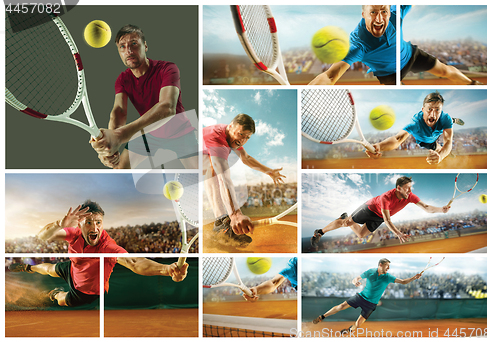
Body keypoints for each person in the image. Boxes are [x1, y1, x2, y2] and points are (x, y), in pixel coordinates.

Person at [8, 200, 188, 307]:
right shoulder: (74, 233)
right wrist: (59, 224)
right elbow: (43, 236)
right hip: (73, 268)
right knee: (50, 269)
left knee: (61, 300)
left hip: (86, 291)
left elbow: (135, 262)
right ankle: (29, 268)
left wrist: (166, 270)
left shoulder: (108, 247)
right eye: (88, 223)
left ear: (103, 222)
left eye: (98, 222)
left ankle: (54, 293)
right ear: (79, 224)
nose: (94, 228)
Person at [90, 24, 198, 169]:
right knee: (119, 169)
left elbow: (167, 108)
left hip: (179, 132)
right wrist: (110, 147)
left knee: (202, 176)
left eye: (134, 44)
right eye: (122, 46)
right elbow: (119, 112)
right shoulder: (122, 79)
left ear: (145, 46)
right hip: (149, 134)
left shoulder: (168, 68)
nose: (128, 51)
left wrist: (119, 135)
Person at [309, 5, 481, 86]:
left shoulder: (395, 13)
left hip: (410, 55)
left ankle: (474, 84)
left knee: (446, 70)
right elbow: (331, 76)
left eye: (383, 11)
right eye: (373, 12)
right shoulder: (358, 43)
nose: (379, 18)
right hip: (389, 75)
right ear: (363, 14)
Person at [203, 113, 286, 246]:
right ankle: (221, 222)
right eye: (241, 134)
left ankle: (221, 223)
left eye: (247, 137)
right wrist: (235, 214)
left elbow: (245, 158)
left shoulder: (231, 136)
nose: (243, 140)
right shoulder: (217, 140)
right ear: (230, 126)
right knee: (214, 167)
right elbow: (224, 178)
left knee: (212, 166)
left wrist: (268, 171)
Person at [310, 176, 450, 248]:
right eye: (407, 188)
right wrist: (398, 233)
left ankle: (346, 217)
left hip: (378, 217)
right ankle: (320, 232)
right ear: (398, 188)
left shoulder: (410, 196)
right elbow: (388, 220)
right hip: (369, 209)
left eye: (410, 188)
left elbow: (425, 207)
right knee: (346, 223)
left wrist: (441, 209)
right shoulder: (386, 198)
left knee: (360, 234)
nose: (410, 191)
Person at [312, 258, 422, 335]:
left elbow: (402, 282)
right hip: (361, 297)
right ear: (380, 265)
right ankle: (322, 317)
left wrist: (413, 278)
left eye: (389, 266)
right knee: (342, 306)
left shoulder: (388, 277)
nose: (388, 268)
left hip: (371, 304)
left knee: (359, 323)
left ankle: (349, 330)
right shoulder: (370, 271)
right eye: (387, 266)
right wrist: (355, 281)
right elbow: (356, 278)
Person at [366, 91, 461, 165]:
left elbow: (448, 142)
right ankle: (448, 153)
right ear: (423, 109)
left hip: (439, 129)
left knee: (449, 122)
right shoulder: (415, 124)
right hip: (426, 141)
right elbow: (397, 138)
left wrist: (441, 157)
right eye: (429, 109)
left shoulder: (445, 118)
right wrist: (380, 146)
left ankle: (454, 120)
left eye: (437, 110)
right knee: (438, 149)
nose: (433, 114)